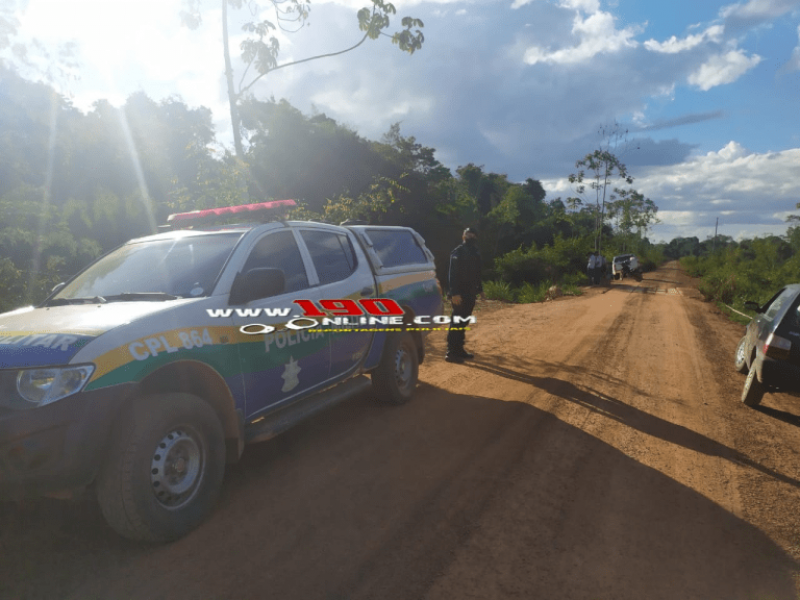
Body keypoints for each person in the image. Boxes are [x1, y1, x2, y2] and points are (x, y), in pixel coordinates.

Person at [446, 227, 485, 363]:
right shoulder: (458, 252)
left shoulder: (476, 252)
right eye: (467, 234)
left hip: (470, 292)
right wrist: (454, 293)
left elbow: (477, 273)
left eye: (472, 234)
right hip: (459, 293)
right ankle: (451, 352)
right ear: (463, 236)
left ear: (476, 237)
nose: (470, 236)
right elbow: (452, 274)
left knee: (464, 321)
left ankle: (459, 349)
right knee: (457, 321)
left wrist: (480, 290)